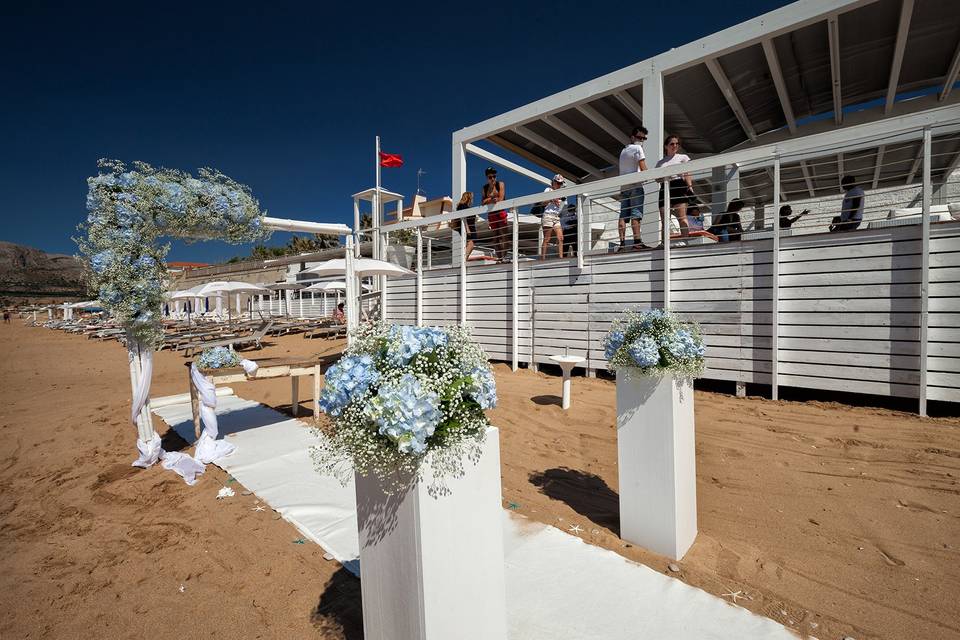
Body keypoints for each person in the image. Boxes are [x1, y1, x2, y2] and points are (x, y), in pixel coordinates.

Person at [655, 135, 694, 245]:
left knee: (681, 216)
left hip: (678, 185)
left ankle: (684, 241)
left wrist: (690, 187)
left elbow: (687, 173)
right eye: (672, 143)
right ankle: (663, 243)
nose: (675, 145)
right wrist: (665, 177)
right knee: (664, 220)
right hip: (665, 186)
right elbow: (657, 179)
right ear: (666, 146)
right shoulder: (660, 162)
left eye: (677, 143)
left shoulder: (683, 157)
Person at [618, 126, 648, 249]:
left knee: (623, 216)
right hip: (635, 186)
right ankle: (637, 242)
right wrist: (648, 175)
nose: (641, 140)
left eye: (643, 138)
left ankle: (622, 244)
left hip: (624, 187)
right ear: (632, 137)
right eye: (639, 137)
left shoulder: (623, 151)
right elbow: (643, 167)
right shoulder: (638, 148)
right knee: (636, 214)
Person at [481, 167, 508, 260]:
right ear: (487, 178)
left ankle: (504, 257)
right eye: (490, 177)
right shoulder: (485, 188)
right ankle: (500, 258)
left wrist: (488, 199)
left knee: (503, 235)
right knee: (495, 237)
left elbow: (500, 199)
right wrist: (492, 199)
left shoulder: (500, 184)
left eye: (494, 176)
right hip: (491, 214)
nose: (492, 178)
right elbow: (482, 202)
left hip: (500, 212)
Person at [540, 174, 566, 260]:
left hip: (556, 216)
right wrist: (552, 199)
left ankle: (561, 258)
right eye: (558, 183)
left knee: (560, 238)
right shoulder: (548, 190)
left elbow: (563, 205)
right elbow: (542, 202)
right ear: (553, 182)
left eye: (560, 183)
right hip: (548, 215)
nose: (559, 185)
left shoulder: (562, 193)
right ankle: (542, 259)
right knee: (547, 238)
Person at [456, 192, 477, 260]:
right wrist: (467, 229)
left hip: (469, 227)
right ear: (468, 197)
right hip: (468, 228)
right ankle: (464, 260)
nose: (472, 199)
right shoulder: (463, 205)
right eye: (472, 197)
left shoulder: (463, 206)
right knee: (471, 243)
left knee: (469, 244)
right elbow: (463, 218)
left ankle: (465, 260)